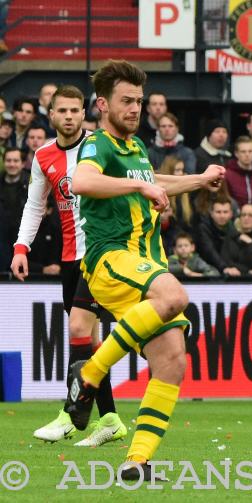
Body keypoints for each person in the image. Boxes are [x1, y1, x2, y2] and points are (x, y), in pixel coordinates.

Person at [66, 60, 225, 480]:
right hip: (111, 258)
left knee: (173, 360)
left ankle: (136, 462)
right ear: (102, 104)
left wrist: (198, 179)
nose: (136, 108)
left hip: (143, 263)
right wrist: (140, 186)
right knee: (175, 296)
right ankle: (90, 374)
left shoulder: (134, 149)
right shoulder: (96, 144)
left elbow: (151, 178)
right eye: (127, 100)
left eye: (139, 101)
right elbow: (81, 183)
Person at [10, 85, 127, 446]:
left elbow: (129, 182)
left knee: (79, 329)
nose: (70, 117)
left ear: (84, 113)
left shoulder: (100, 146)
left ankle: (69, 414)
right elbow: (34, 205)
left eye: (76, 110)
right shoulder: (43, 155)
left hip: (100, 252)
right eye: (63, 111)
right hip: (70, 258)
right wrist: (21, 248)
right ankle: (109, 419)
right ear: (52, 115)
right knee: (88, 343)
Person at [195, 198, 243, 277]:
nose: (222, 216)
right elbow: (210, 251)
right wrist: (224, 267)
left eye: (225, 212)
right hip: (207, 268)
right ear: (211, 213)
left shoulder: (236, 228)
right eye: (218, 212)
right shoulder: (203, 228)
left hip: (231, 268)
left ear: (231, 213)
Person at [221, 203, 252, 277]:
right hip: (232, 276)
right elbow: (226, 260)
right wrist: (248, 271)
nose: (246, 218)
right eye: (243, 215)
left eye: (251, 215)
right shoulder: (232, 232)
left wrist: (250, 243)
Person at [0, 147, 27, 263]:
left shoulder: (32, 184)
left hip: (23, 238)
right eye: (8, 160)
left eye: (16, 161)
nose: (12, 164)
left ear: (23, 164)